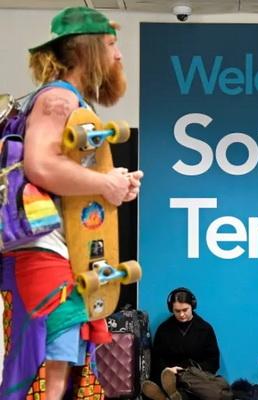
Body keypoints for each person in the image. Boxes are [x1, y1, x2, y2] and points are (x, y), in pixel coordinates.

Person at [0, 6, 143, 400]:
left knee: (64, 367)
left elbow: (61, 174)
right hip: (45, 253)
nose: (117, 55)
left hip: (57, 251)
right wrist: (104, 183)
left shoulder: (67, 99)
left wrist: (112, 186)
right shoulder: (59, 99)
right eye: (111, 45)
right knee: (50, 369)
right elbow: (41, 164)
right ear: (87, 50)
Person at [142, 287, 221, 400]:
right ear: (171, 309)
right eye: (177, 311)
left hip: (194, 377)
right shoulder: (164, 329)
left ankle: (171, 396)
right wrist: (168, 370)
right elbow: (157, 358)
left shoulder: (205, 329)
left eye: (185, 310)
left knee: (208, 392)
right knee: (161, 382)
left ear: (192, 306)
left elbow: (213, 361)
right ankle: (173, 393)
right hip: (169, 376)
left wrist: (189, 371)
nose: (182, 314)